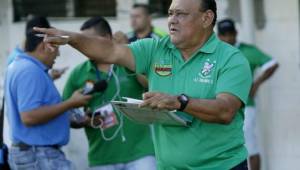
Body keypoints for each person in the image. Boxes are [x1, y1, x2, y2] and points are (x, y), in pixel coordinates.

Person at [34, 0, 252, 169]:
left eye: (181, 14)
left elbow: (225, 111)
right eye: (170, 13)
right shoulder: (155, 49)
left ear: (206, 18)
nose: (172, 20)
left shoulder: (231, 58)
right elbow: (109, 50)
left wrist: (179, 101)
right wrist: (71, 38)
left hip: (223, 167)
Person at [63, 17, 156, 170]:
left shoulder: (128, 62)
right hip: (101, 158)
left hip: (141, 154)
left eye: (88, 40)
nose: (84, 45)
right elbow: (66, 113)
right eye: (82, 41)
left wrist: (128, 49)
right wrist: (82, 120)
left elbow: (150, 84)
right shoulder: (78, 74)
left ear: (106, 38)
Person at [5, 16, 91, 170]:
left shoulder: (22, 66)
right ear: (44, 46)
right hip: (38, 155)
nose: (57, 54)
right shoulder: (29, 71)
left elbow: (38, 111)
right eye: (56, 48)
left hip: (35, 154)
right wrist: (71, 103)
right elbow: (29, 116)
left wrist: (72, 119)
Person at [217, 19, 279, 170]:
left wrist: (256, 84)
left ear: (236, 33)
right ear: (218, 36)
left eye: (231, 34)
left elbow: (272, 64)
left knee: (249, 145)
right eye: (224, 35)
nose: (228, 38)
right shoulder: (215, 53)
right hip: (219, 107)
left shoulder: (247, 51)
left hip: (246, 107)